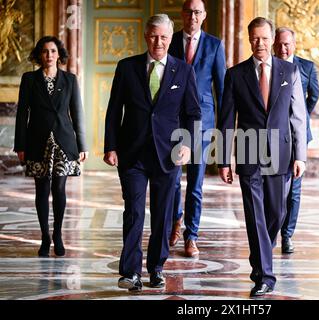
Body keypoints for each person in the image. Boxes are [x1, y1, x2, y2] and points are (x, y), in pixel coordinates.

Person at [104, 14, 201, 292]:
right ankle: (130, 272)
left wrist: (187, 144)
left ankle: (156, 267)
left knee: (162, 213)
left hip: (169, 154)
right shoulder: (127, 67)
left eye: (164, 37)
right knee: (134, 211)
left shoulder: (183, 71)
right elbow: (114, 111)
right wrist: (110, 146)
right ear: (146, 36)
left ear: (171, 39)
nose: (158, 42)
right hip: (132, 154)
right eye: (153, 36)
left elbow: (194, 113)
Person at [217, 17, 307, 297]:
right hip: (248, 152)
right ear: (249, 39)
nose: (260, 44)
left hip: (281, 153)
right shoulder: (235, 74)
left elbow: (298, 117)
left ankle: (260, 257)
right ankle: (265, 275)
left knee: (277, 213)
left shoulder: (289, 71)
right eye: (255, 38)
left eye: (265, 38)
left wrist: (300, 155)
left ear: (272, 39)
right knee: (255, 214)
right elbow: (226, 119)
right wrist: (223, 159)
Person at [14, 36, 88, 258]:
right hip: (37, 141)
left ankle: (57, 234)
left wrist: (82, 144)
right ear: (39, 55)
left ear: (59, 54)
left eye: (53, 51)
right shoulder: (29, 79)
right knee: (42, 190)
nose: (49, 55)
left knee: (59, 189)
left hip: (64, 142)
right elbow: (21, 115)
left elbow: (77, 114)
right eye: (45, 51)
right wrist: (20, 145)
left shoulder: (70, 80)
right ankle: (45, 237)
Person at [168, 0, 226, 257]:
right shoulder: (168, 41)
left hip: (202, 122)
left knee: (195, 183)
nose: (192, 16)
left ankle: (191, 236)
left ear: (204, 16)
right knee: (171, 179)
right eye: (188, 11)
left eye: (197, 12)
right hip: (171, 121)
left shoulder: (215, 45)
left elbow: (222, 89)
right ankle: (175, 220)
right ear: (182, 14)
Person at [273, 27, 319, 254]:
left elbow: (314, 95)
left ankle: (287, 235)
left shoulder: (306, 67)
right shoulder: (269, 66)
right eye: (279, 44)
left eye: (287, 44)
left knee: (295, 188)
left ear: (294, 44)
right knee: (272, 186)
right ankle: (272, 231)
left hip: (298, 135)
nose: (283, 49)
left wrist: (301, 117)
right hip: (274, 135)